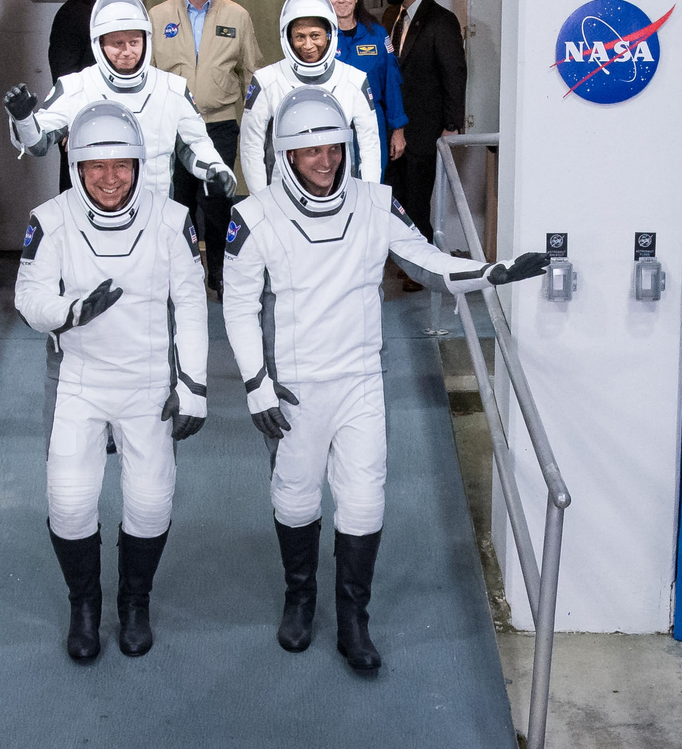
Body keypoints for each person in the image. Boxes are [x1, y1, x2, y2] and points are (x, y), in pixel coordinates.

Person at [222, 87, 547, 672]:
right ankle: (300, 599)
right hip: (294, 387)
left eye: (333, 149)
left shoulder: (376, 204)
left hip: (360, 381)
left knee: (365, 501)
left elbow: (428, 262)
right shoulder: (254, 216)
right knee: (294, 497)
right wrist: (256, 385)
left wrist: (491, 271)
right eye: (310, 151)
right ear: (287, 156)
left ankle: (353, 621)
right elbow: (239, 308)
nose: (324, 161)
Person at [15, 101, 208, 661]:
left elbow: (192, 304)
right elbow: (29, 300)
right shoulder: (48, 220)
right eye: (95, 166)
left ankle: (134, 602)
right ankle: (85, 605)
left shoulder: (171, 219)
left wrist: (192, 384)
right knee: (70, 503)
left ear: (138, 164)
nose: (109, 178)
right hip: (81, 378)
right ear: (76, 167)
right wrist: (71, 311)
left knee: (149, 503)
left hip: (149, 382)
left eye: (121, 164)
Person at [5, 0, 237, 203]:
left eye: (134, 42)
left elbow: (194, 144)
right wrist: (24, 118)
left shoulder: (172, 88)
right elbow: (38, 144)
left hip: (156, 215)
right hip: (90, 219)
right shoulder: (76, 87)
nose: (127, 51)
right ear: (100, 44)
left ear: (146, 40)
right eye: (117, 43)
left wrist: (216, 169)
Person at [150, 0, 263, 299]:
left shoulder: (237, 16)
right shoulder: (157, 16)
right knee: (177, 203)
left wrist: (255, 125)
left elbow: (253, 72)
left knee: (217, 202)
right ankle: (180, 276)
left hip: (219, 125)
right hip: (173, 128)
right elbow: (147, 73)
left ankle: (219, 274)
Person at [240, 0, 381, 193]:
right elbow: (250, 147)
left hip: (340, 191)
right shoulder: (267, 80)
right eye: (299, 36)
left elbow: (370, 146)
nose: (308, 45)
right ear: (288, 38)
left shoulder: (354, 80)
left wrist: (370, 196)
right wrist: (261, 198)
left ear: (329, 35)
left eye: (315, 35)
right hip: (282, 194)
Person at [382, 0, 467, 272]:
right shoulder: (391, 15)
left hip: (424, 127)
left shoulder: (441, 20)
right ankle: (396, 259)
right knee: (393, 197)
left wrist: (451, 125)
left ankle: (420, 268)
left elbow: (455, 75)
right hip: (392, 126)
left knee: (418, 201)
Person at [47, 0, 129, 192]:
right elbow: (64, 74)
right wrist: (75, 121)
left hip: (108, 118)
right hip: (81, 124)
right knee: (80, 192)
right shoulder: (73, 14)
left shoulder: (108, 9)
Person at [320, 0, 407, 177]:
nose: (341, 0)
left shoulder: (377, 34)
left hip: (371, 120)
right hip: (330, 123)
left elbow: (391, 83)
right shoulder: (319, 37)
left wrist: (398, 130)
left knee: (371, 184)